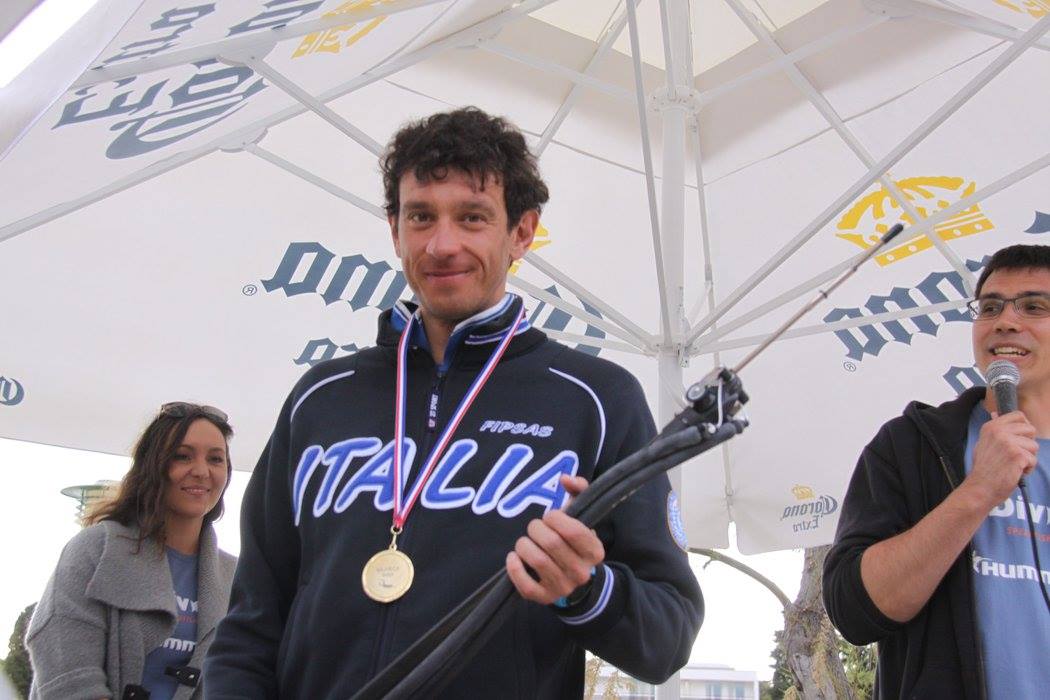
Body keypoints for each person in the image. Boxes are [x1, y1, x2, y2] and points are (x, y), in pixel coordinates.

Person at [204, 107, 702, 698]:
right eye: (421, 216)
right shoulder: (320, 397)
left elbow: (667, 637)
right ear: (395, 229)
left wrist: (588, 590)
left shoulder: (597, 400)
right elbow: (251, 624)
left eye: (472, 217)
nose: (442, 245)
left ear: (521, 232)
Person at [823, 244, 1050, 699]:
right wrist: (978, 491)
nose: (1005, 321)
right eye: (990, 307)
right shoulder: (912, 445)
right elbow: (854, 610)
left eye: (1033, 306)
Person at [27, 402, 238, 700]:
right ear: (152, 465)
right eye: (182, 456)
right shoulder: (95, 550)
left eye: (215, 459)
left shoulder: (236, 577)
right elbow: (68, 677)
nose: (202, 471)